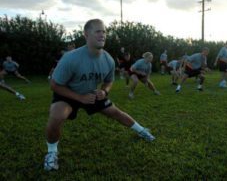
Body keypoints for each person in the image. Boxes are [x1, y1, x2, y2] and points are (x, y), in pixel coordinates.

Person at [44, 19, 155, 171]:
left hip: (91, 94)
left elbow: (109, 82)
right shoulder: (70, 58)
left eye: (104, 31)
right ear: (86, 34)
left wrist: (104, 91)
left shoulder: (108, 60)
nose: (102, 35)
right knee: (56, 116)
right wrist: (79, 98)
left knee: (116, 112)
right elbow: (55, 85)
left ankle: (142, 131)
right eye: (97, 31)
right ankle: (51, 153)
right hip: (67, 95)